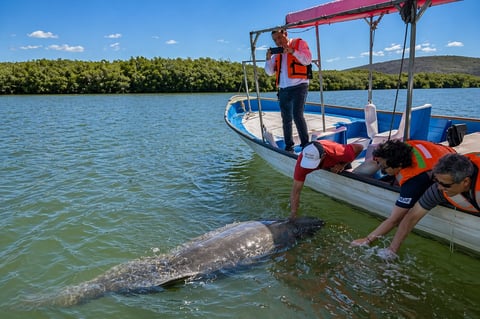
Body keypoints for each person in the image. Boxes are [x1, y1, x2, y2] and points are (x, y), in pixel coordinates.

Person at [351, 140, 456, 247]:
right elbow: (381, 157)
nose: (381, 170)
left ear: (399, 165)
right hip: (446, 153)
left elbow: (395, 220)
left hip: (446, 171)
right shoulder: (402, 147)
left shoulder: (413, 182)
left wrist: (368, 239)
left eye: (384, 168)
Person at [380, 152, 480, 259]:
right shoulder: (439, 188)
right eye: (437, 181)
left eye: (445, 185)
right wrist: (392, 250)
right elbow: (411, 217)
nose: (440, 188)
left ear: (465, 181)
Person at [264, 28, 312, 152]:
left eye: (280, 37)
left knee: (297, 114)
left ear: (286, 34)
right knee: (286, 118)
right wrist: (268, 58)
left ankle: (305, 145)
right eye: (275, 40)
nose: (278, 41)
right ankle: (289, 146)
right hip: (284, 89)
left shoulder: (299, 43)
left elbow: (307, 60)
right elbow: (269, 72)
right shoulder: (276, 53)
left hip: (299, 86)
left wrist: (292, 51)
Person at [290, 140, 364, 218]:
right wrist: (293, 215)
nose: (309, 167)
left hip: (338, 161)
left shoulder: (339, 152)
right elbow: (296, 192)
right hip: (326, 162)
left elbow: (360, 147)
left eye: (313, 163)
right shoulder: (302, 164)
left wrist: (342, 165)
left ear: (323, 156)